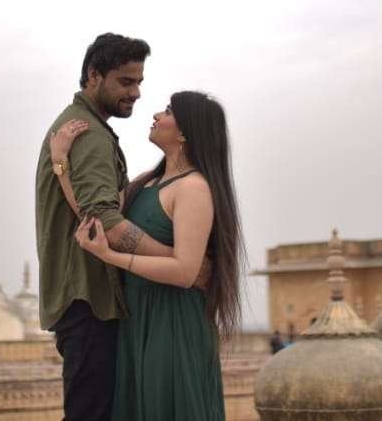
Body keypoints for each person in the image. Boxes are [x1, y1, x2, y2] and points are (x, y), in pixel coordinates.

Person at [59, 90, 243, 421]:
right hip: (138, 320)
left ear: (185, 132)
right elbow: (96, 217)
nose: (157, 115)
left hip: (173, 323)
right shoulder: (147, 183)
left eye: (169, 111)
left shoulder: (193, 188)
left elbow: (185, 272)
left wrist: (111, 257)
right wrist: (60, 165)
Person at [37, 33, 177, 421]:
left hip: (86, 297)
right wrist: (178, 263)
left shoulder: (85, 129)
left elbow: (109, 201)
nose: (136, 93)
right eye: (125, 82)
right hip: (89, 297)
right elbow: (103, 221)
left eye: (139, 82)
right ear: (94, 76)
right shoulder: (87, 134)